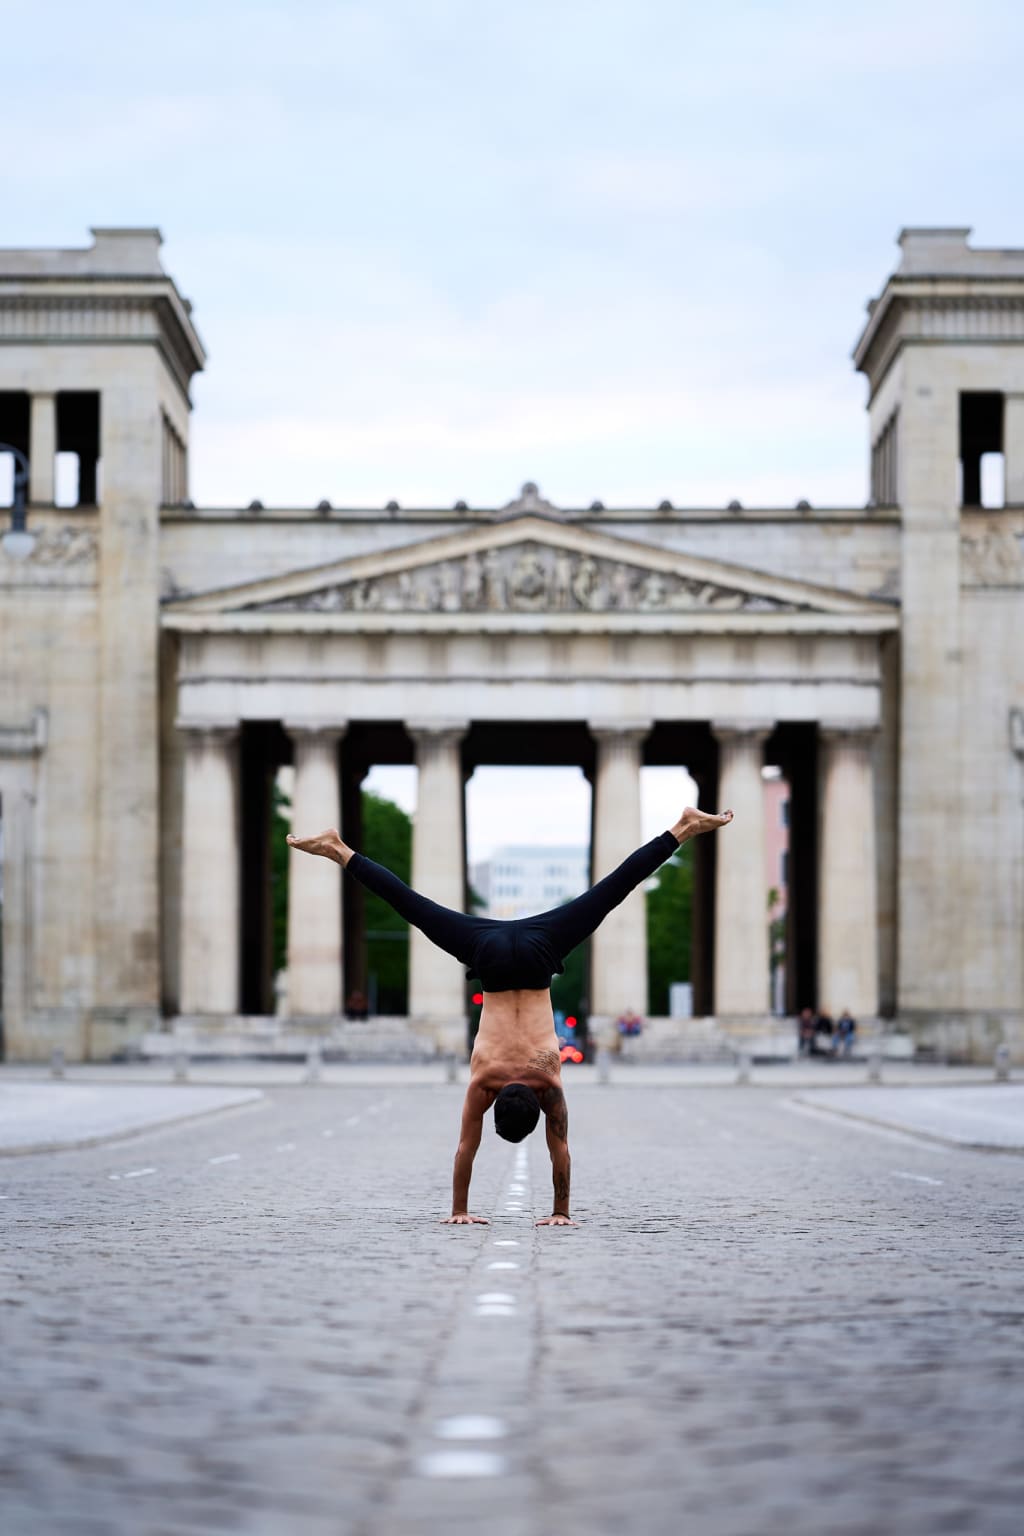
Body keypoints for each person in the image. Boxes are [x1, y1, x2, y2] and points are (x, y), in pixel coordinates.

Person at [287, 805, 734, 1225]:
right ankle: (340, 850)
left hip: (540, 951)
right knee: (411, 905)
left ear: (536, 1109)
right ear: (496, 1106)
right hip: (489, 954)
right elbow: (466, 1147)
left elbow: (560, 1151)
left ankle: (681, 829)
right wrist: (458, 1208)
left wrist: (562, 1211)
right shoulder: (484, 1082)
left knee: (610, 892)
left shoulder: (549, 1083)